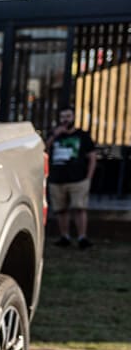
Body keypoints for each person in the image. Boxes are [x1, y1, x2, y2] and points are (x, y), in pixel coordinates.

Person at [46, 107, 98, 250]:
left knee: (79, 208)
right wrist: (54, 136)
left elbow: (92, 157)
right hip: (57, 179)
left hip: (78, 179)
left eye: (68, 116)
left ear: (74, 117)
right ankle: (64, 237)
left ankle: (82, 237)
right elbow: (44, 150)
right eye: (63, 117)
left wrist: (88, 177)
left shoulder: (82, 136)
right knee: (60, 210)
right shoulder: (54, 134)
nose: (65, 120)